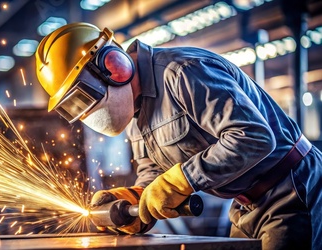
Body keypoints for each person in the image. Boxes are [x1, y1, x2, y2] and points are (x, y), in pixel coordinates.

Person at [34, 22, 322, 250]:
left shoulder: (183, 72)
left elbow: (254, 137)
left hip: (293, 187)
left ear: (113, 66)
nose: (87, 111)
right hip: (246, 203)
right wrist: (137, 199)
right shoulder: (135, 111)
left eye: (85, 97)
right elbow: (154, 171)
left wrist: (183, 179)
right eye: (76, 106)